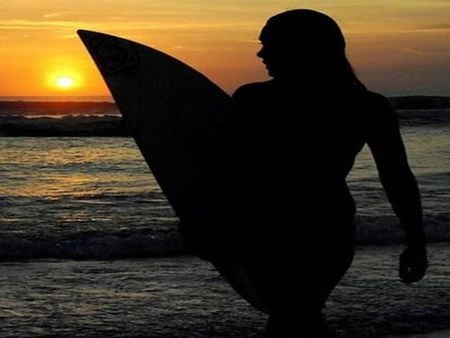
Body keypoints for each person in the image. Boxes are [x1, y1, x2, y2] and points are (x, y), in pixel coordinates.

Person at [224, 9, 428, 337]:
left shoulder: (254, 100)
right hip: (322, 228)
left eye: (269, 45)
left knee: (292, 316)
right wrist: (416, 239)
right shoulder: (367, 105)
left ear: (301, 47)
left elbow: (230, 172)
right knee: (297, 316)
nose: (260, 53)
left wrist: (211, 224)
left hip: (277, 228)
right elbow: (397, 177)